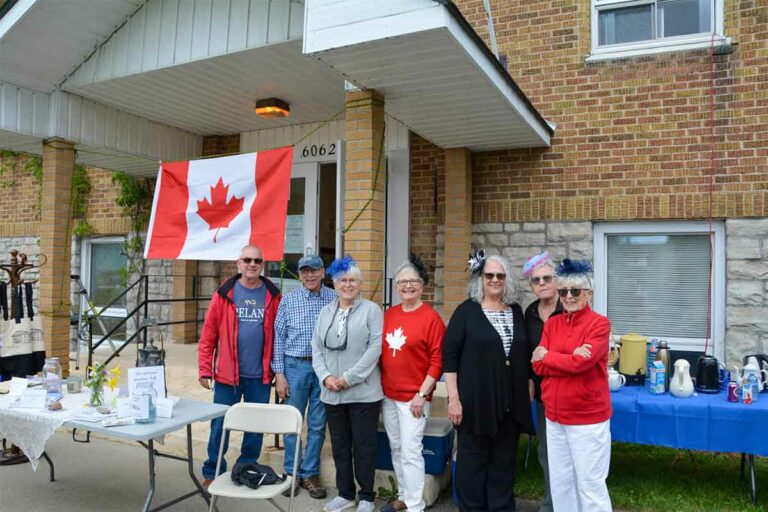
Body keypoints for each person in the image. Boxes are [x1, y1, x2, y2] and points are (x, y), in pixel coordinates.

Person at [443, 250, 534, 511]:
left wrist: (528, 379)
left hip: (509, 404)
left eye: (500, 276)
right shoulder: (466, 311)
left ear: (507, 280)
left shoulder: (516, 311)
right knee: (473, 465)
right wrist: (453, 398)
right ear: (479, 279)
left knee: (503, 466)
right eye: (489, 275)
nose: (495, 280)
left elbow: (523, 351)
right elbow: (449, 356)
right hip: (475, 404)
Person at [532, 259, 612, 512]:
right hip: (554, 418)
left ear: (588, 294)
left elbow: (581, 364)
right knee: (561, 483)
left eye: (575, 291)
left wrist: (550, 356)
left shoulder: (599, 324)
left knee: (590, 485)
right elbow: (537, 366)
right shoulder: (552, 323)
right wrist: (567, 358)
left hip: (587, 419)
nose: (568, 296)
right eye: (564, 291)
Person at [198, 244, 281, 485]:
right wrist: (205, 367)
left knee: (254, 428)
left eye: (257, 260)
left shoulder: (273, 295)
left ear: (262, 264)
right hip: (227, 376)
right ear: (239, 263)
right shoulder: (224, 293)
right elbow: (209, 333)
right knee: (219, 426)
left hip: (260, 376)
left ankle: (245, 469)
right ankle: (212, 471)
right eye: (247, 260)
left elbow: (279, 334)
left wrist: (279, 370)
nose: (252, 264)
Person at [311, 256, 383, 512]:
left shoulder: (372, 311)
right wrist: (326, 377)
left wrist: (348, 378)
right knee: (340, 447)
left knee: (364, 447)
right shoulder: (326, 312)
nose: (347, 285)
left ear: (360, 284)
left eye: (352, 280)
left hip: (363, 393)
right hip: (332, 394)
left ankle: (366, 496)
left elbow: (374, 349)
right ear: (335, 283)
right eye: (343, 280)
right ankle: (345, 493)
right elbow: (316, 348)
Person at [380, 255, 445, 512]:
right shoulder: (389, 314)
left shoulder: (431, 318)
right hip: (388, 395)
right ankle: (404, 496)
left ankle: (416, 505)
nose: (408, 286)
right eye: (403, 282)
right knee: (396, 447)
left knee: (411, 450)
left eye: (413, 281)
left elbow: (437, 360)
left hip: (414, 398)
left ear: (422, 285)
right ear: (396, 286)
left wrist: (422, 393)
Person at [273, 254, 336, 499]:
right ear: (299, 275)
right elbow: (278, 338)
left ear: (323, 273)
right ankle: (292, 472)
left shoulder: (334, 298)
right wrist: (279, 373)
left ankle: (310, 474)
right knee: (293, 423)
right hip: (294, 366)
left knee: (318, 424)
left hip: (323, 369)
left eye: (314, 270)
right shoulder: (289, 300)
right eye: (304, 271)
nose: (309, 275)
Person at [522, 252, 562, 512]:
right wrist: (528, 377)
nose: (543, 284)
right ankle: (550, 504)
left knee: (569, 454)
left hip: (568, 393)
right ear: (532, 286)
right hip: (542, 397)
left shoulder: (568, 306)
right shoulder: (530, 313)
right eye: (537, 280)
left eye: (547, 278)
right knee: (546, 453)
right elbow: (526, 351)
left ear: (556, 281)